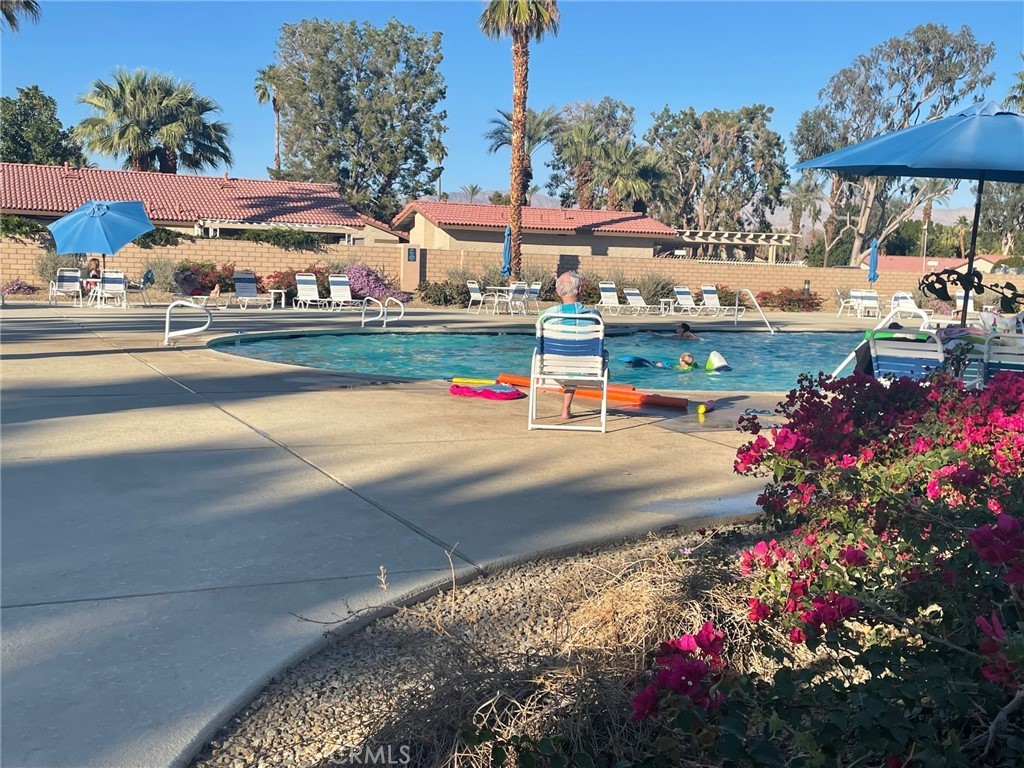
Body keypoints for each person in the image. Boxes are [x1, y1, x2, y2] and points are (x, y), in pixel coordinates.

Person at [542, 270, 599, 420]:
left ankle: (565, 409)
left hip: (549, 368)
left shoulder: (546, 316)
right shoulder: (594, 316)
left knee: (567, 358)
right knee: (575, 357)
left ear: (557, 291)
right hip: (586, 368)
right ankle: (565, 409)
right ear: (580, 289)